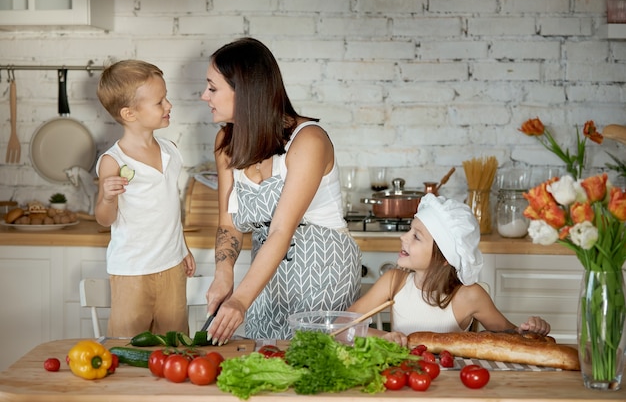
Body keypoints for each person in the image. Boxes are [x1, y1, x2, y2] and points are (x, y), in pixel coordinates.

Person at [201, 37, 361, 344]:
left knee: (314, 365)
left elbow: (281, 230)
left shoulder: (308, 141)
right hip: (265, 278)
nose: (204, 96)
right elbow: (228, 223)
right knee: (267, 363)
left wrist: (240, 300)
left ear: (245, 92)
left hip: (323, 275)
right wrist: (224, 276)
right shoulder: (226, 143)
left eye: (212, 87)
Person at [347, 193, 551, 347]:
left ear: (444, 257)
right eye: (410, 229)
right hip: (404, 378)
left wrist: (530, 330)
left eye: (416, 236)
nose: (403, 237)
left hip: (453, 382)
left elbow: (512, 337)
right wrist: (385, 337)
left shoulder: (469, 295)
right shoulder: (394, 281)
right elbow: (342, 326)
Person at [95, 59, 196, 337]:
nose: (169, 106)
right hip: (132, 271)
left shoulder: (171, 151)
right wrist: (106, 197)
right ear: (130, 114)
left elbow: (169, 208)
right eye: (159, 102)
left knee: (175, 345)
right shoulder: (112, 161)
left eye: (166, 99)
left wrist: (183, 246)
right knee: (127, 345)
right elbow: (105, 219)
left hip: (172, 266)